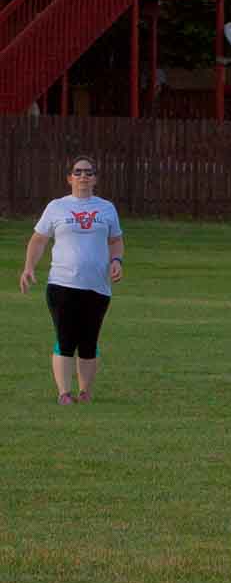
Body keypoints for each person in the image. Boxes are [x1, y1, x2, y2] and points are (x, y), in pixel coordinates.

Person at [19, 155, 124, 404]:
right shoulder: (57, 207)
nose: (83, 176)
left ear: (95, 178)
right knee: (66, 338)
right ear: (69, 178)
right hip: (62, 284)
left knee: (89, 340)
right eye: (77, 172)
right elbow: (39, 239)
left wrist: (117, 261)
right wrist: (28, 267)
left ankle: (85, 391)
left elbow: (116, 240)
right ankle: (64, 393)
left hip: (97, 286)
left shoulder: (106, 208)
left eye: (88, 172)